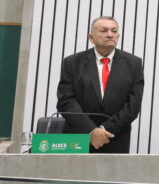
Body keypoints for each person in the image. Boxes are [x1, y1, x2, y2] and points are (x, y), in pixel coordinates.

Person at [56, 16, 144, 153]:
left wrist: (104, 130)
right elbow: (65, 100)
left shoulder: (133, 64)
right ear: (91, 37)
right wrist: (91, 131)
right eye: (104, 31)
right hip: (78, 138)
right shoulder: (72, 62)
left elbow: (133, 105)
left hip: (115, 137)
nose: (110, 35)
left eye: (114, 31)